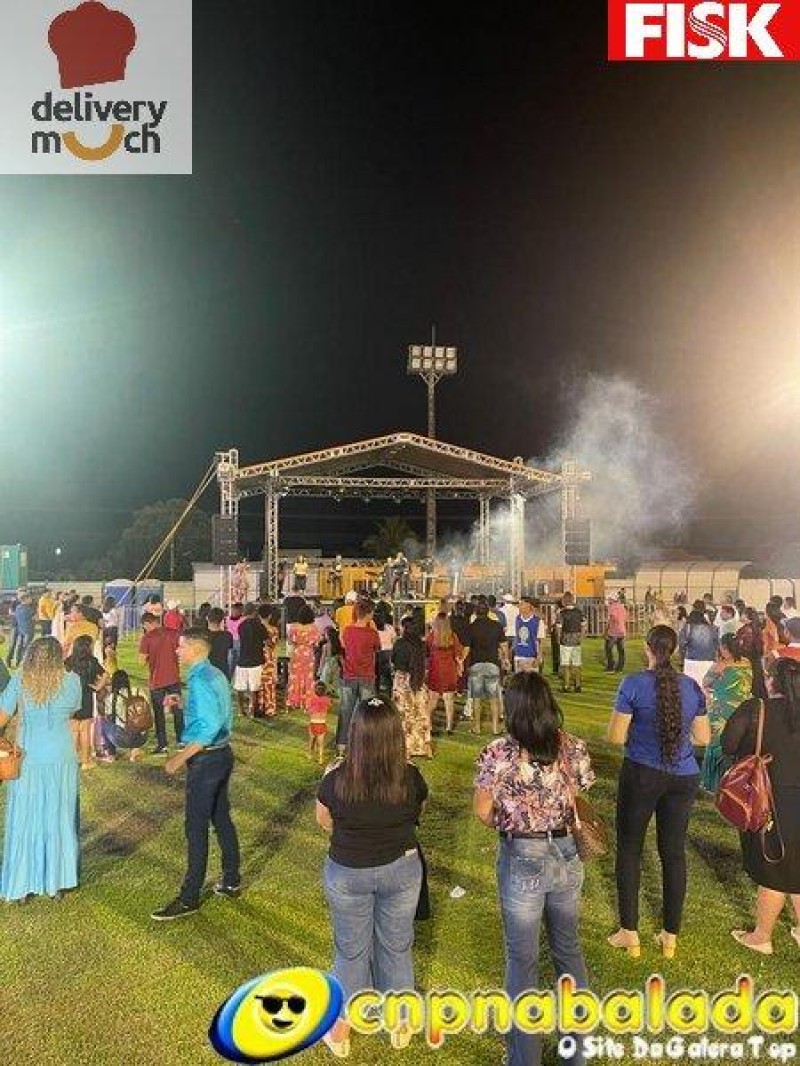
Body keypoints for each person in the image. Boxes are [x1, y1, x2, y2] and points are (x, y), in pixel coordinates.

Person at [473, 672, 594, 1066]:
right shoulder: (572, 746)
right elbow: (578, 792)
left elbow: (482, 811)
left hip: (521, 853)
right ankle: (577, 1052)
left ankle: (524, 1057)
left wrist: (511, 822)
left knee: (521, 960)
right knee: (568, 950)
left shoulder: (498, 753)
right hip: (566, 852)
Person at [316, 697, 427, 1056]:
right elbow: (417, 813)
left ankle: (340, 1029)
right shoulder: (410, 777)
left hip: (349, 870)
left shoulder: (336, 777)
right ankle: (400, 1022)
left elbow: (324, 821)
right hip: (400, 868)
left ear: (356, 733)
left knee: (351, 951)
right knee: (396, 945)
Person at [607, 625, 711, 959]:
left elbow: (615, 737)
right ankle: (670, 937)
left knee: (629, 849)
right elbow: (703, 738)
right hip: (683, 777)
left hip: (642, 773)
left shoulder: (633, 684)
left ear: (648, 648)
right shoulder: (691, 686)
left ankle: (630, 933)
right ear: (675, 649)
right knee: (674, 853)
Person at [151, 628, 241, 920]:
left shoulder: (200, 678)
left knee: (196, 827)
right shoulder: (214, 673)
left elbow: (209, 726)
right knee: (221, 819)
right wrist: (182, 703)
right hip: (222, 755)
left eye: (181, 647)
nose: (177, 651)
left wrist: (179, 758)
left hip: (207, 760)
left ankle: (189, 897)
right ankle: (231, 879)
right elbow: (213, 713)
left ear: (195, 648)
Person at [722, 656, 800, 954]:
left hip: (771, 798)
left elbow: (728, 744)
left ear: (771, 681)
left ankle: (761, 936)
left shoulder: (756, 709)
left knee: (775, 867)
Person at [0, 637, 82, 900]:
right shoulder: (73, 681)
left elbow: (1, 716)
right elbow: (72, 712)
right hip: (61, 756)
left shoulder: (20, 679)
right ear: (59, 657)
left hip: (28, 758)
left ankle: (22, 883)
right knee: (59, 817)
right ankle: (57, 881)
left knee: (25, 817)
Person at [699, 633, 752, 792]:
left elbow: (705, 682)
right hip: (742, 709)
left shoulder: (720, 665)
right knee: (737, 743)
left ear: (723, 648)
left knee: (716, 743)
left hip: (721, 710)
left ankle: (712, 783)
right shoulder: (747, 663)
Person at [337, 600, 381, 753]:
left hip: (349, 674)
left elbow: (343, 645)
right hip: (367, 676)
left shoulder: (348, 631)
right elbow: (378, 648)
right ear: (369, 614)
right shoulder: (372, 633)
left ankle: (342, 744)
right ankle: (366, 745)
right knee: (367, 713)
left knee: (346, 711)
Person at [139, 611, 183, 755]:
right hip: (173, 678)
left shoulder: (147, 638)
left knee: (159, 713)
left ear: (148, 623)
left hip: (157, 680)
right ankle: (181, 740)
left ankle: (162, 744)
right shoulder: (173, 633)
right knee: (177, 710)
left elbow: (141, 661)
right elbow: (181, 652)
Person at [65, 634, 109, 770]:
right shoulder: (92, 662)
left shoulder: (68, 661)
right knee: (85, 731)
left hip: (70, 699)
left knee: (73, 731)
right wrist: (98, 687)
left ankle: (71, 761)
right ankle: (86, 761)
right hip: (86, 698)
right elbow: (106, 674)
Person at [465, 600, 508, 734]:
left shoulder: (471, 627)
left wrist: (460, 661)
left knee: (477, 698)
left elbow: (467, 648)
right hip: (492, 664)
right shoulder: (497, 626)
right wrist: (506, 658)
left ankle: (477, 727)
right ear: (488, 611)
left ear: (476, 612)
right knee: (494, 698)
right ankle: (495, 728)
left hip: (476, 664)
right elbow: (504, 645)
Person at [392, 616, 432, 758]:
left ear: (404, 629)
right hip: (419, 680)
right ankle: (425, 747)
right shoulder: (422, 645)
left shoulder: (399, 643)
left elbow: (394, 660)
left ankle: (406, 748)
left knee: (404, 714)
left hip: (402, 681)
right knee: (421, 714)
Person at [426, 612, 464, 735]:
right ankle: (449, 727)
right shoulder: (452, 636)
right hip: (449, 670)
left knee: (432, 700)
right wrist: (460, 667)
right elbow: (458, 655)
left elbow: (426, 651)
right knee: (449, 700)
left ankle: (429, 725)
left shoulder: (432, 636)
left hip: (435, 669)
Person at [232, 603, 267, 718]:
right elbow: (267, 641)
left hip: (242, 659)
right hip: (256, 660)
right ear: (254, 612)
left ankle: (241, 710)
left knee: (240, 687)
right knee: (254, 688)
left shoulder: (241, 626)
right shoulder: (260, 625)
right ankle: (252, 709)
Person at [287, 604, 319, 711]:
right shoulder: (314, 628)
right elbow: (316, 643)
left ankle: (295, 700)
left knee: (295, 677)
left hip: (296, 653)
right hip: (308, 654)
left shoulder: (293, 627)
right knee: (308, 677)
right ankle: (307, 701)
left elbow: (291, 641)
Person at [678, 607, 719, 688]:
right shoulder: (713, 628)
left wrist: (682, 658)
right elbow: (716, 645)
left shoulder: (687, 628)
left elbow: (681, 644)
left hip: (691, 661)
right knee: (705, 687)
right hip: (709, 661)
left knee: (690, 686)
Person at [556, 593, 585, 693]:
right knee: (577, 664)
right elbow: (583, 625)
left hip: (565, 640)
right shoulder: (579, 612)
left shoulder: (562, 613)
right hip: (576, 640)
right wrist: (581, 636)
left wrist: (558, 638)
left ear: (564, 601)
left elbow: (559, 627)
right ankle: (578, 685)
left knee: (566, 664)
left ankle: (566, 685)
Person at [513, 596, 546, 673]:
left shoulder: (538, 621)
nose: (519, 606)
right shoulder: (517, 619)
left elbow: (541, 641)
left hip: (531, 657)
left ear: (529, 605)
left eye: (521, 604)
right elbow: (516, 637)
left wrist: (539, 657)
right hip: (518, 656)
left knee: (531, 679)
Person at [259, 605, 281, 717]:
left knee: (259, 682)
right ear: (270, 616)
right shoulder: (274, 630)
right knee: (269, 683)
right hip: (269, 657)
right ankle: (270, 707)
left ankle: (259, 705)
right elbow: (273, 645)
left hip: (258, 657)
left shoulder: (256, 628)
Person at [306, 680, 332, 764]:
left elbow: (308, 710)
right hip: (322, 724)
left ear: (315, 690)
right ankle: (320, 759)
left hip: (313, 723)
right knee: (321, 743)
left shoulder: (311, 699)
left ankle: (310, 754)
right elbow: (329, 706)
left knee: (311, 741)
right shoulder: (327, 700)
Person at [207, 607, 234, 679]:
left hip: (207, 672)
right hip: (223, 671)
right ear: (222, 620)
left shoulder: (203, 636)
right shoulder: (228, 635)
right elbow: (230, 655)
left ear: (207, 618)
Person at [604, 594, 627, 673]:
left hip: (613, 631)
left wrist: (606, 630)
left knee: (608, 649)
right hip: (622, 631)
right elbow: (625, 618)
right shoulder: (622, 607)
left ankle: (611, 666)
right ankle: (620, 667)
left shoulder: (611, 607)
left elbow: (611, 619)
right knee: (621, 650)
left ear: (612, 600)